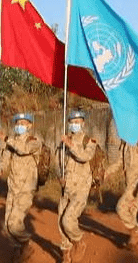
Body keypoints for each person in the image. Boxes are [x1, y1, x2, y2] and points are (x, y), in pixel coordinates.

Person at [0, 113, 43, 263]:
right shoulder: (11, 142)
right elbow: (5, 159)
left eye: (23, 123)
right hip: (13, 187)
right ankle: (18, 250)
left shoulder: (34, 140)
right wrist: (0, 169)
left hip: (26, 188)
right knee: (7, 226)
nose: (19, 126)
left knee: (14, 223)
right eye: (17, 123)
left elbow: (23, 149)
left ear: (30, 125)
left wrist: (6, 138)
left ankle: (27, 243)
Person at [103, 126, 138, 256]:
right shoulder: (125, 143)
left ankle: (137, 232)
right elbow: (120, 162)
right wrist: (107, 172)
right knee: (132, 211)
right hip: (129, 184)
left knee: (120, 208)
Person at [57, 110, 97, 263]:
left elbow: (85, 156)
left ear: (83, 123)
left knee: (69, 220)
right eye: (72, 122)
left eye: (78, 121)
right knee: (61, 222)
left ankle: (79, 241)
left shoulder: (89, 140)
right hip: (66, 187)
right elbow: (59, 162)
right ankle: (66, 255)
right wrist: (60, 175)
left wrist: (71, 145)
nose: (75, 124)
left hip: (80, 188)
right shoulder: (64, 141)